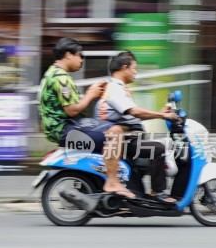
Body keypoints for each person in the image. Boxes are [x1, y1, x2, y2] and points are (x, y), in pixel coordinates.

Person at [38, 37, 125, 193]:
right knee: (116, 132)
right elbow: (72, 110)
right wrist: (91, 94)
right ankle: (112, 182)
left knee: (108, 130)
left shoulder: (52, 73)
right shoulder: (61, 78)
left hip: (61, 128)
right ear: (68, 55)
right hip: (65, 129)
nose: (82, 60)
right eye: (80, 55)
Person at [95, 50, 181, 203]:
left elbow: (133, 115)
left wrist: (159, 113)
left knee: (151, 152)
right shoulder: (115, 88)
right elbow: (134, 111)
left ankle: (139, 192)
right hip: (123, 141)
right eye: (135, 68)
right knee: (158, 149)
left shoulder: (118, 88)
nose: (136, 73)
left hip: (127, 138)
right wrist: (162, 115)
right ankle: (158, 193)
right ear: (124, 67)